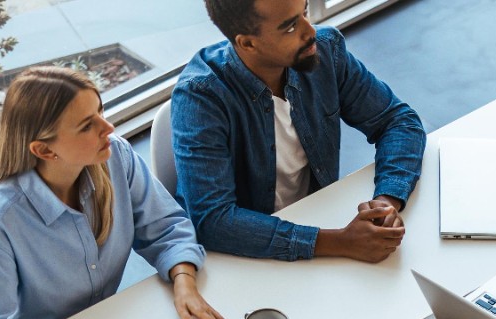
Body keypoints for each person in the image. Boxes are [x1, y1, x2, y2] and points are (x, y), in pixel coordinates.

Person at [0, 67, 231, 319]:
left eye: (99, 111)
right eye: (88, 125)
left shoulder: (117, 158)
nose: (108, 128)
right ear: (44, 150)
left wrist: (185, 285)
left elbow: (168, 228)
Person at [172, 0, 426, 262]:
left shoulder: (326, 50)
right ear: (248, 43)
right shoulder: (200, 97)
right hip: (243, 255)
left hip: (319, 220)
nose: (310, 31)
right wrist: (340, 242)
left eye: (304, 12)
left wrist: (385, 203)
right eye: (291, 27)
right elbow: (213, 220)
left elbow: (397, 121)